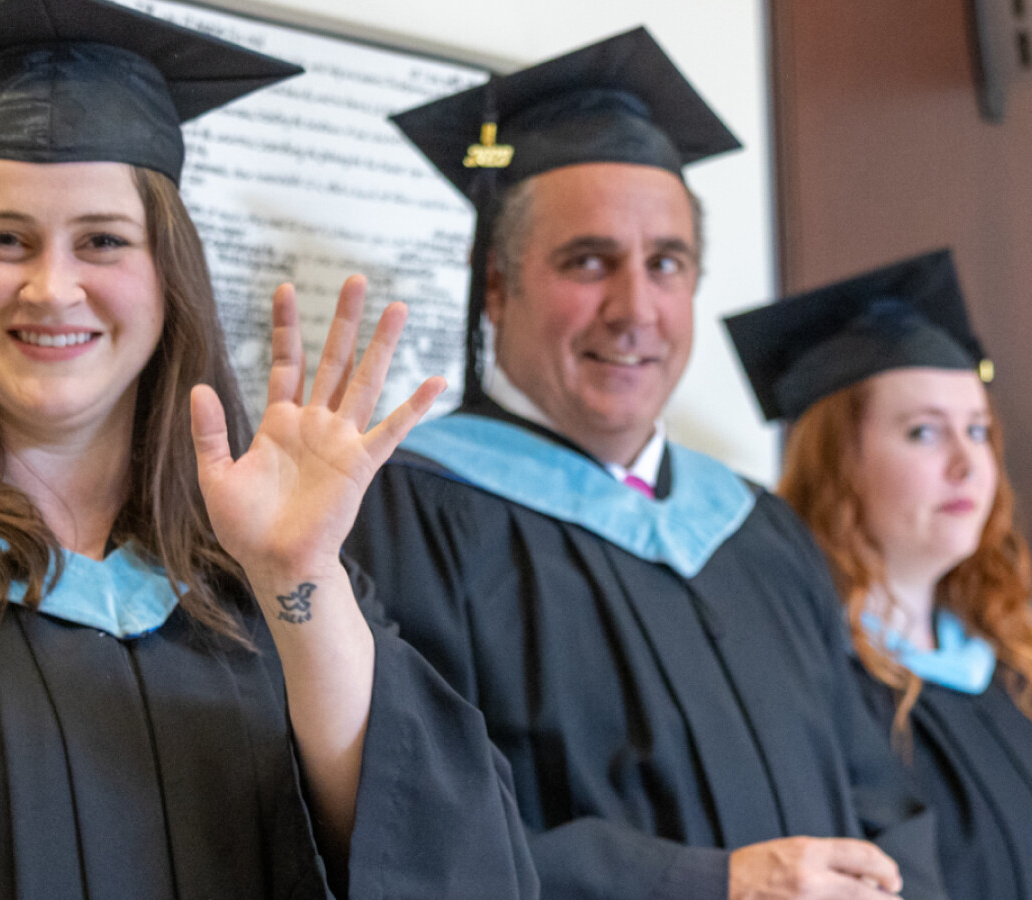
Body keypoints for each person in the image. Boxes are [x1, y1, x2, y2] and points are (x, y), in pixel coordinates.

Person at [0, 2, 535, 897]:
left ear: (169, 277)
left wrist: (298, 577)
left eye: (102, 241)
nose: (52, 288)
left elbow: (453, 865)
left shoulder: (268, 581)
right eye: (4, 239)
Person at [351, 29, 943, 900]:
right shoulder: (402, 518)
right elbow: (418, 838)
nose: (635, 310)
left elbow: (882, 799)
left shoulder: (761, 530)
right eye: (588, 262)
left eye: (666, 264)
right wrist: (711, 884)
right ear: (497, 289)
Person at [728, 249, 1032, 900]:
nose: (968, 463)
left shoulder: (1020, 667)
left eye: (977, 431)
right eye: (923, 433)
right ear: (837, 464)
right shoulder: (809, 684)